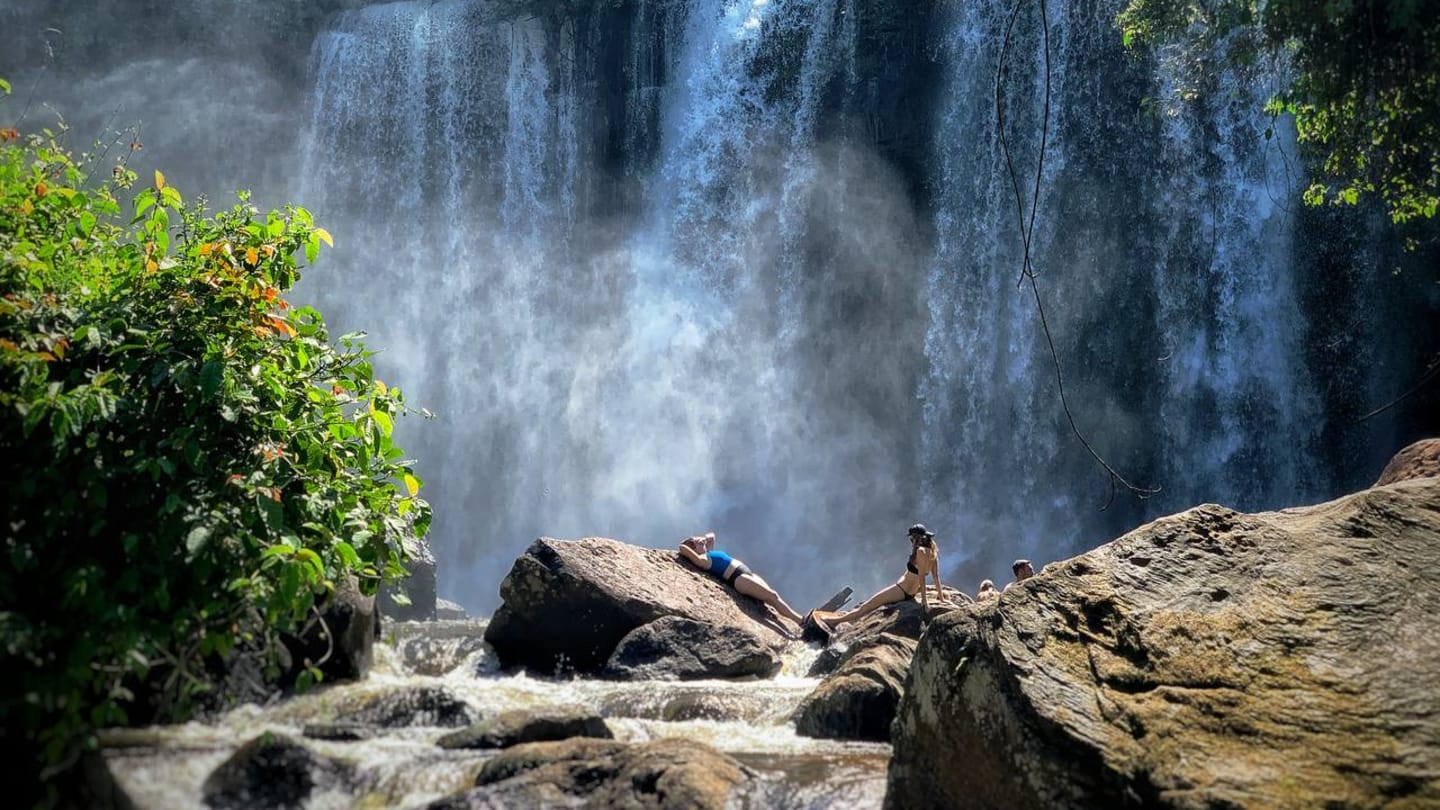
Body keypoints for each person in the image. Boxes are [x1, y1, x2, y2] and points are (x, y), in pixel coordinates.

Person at [817, 523, 946, 629]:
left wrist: (924, 602)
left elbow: (922, 577)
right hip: (910, 591)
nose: (911, 541)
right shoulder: (933, 552)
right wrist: (941, 598)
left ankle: (834, 621)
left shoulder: (920, 551)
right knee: (868, 606)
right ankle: (844, 620)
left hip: (902, 590)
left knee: (866, 606)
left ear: (916, 538)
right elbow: (936, 577)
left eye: (912, 539)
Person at [677, 532, 805, 624]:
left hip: (747, 573)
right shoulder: (703, 560)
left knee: (773, 598)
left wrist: (702, 539)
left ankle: (800, 621)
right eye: (693, 543)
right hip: (739, 578)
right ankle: (800, 621)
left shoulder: (709, 552)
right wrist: (693, 546)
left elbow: (712, 536)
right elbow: (681, 548)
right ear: (693, 549)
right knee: (772, 596)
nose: (697, 541)